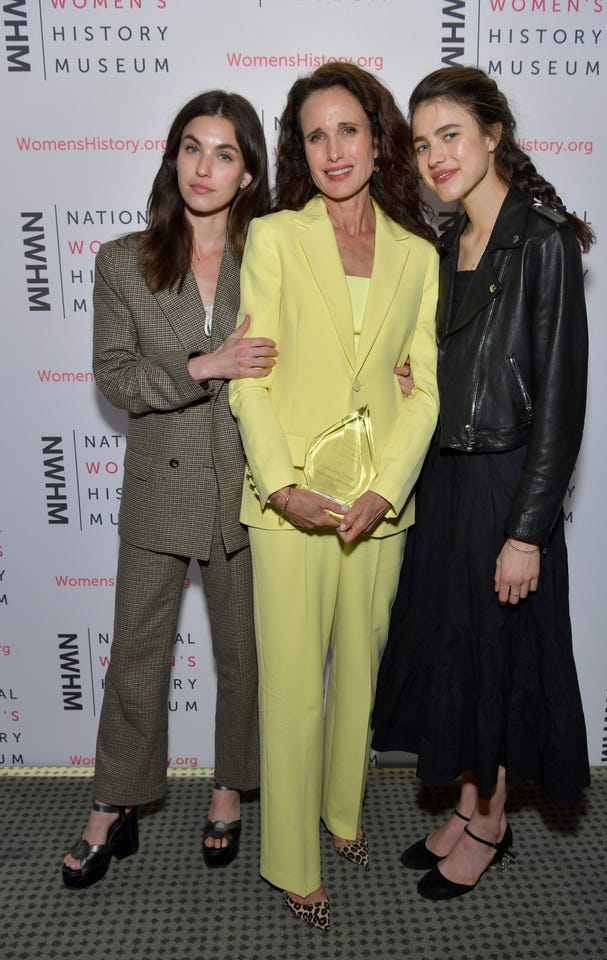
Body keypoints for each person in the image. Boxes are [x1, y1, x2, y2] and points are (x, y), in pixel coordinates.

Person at [372, 65, 593, 901]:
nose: (434, 157)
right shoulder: (441, 243)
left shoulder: (543, 241)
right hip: (444, 484)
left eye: (450, 136)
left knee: (499, 661)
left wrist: (527, 531)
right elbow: (449, 367)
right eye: (423, 144)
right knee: (454, 656)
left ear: (494, 134)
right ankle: (466, 805)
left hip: (505, 488)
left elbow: (561, 405)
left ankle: (493, 825)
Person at [228, 63, 440, 930]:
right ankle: (291, 859)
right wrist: (279, 486)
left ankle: (344, 812)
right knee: (291, 687)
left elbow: (422, 389)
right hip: (292, 507)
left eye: (348, 128)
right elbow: (251, 378)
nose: (333, 149)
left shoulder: (419, 255)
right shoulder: (275, 237)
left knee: (358, 674)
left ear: (376, 135)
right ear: (299, 151)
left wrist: (385, 493)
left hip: (374, 511)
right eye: (315, 135)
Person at [62, 90, 276, 888]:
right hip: (160, 490)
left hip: (253, 492)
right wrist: (205, 367)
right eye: (192, 147)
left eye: (225, 153)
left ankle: (229, 787)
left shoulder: (278, 256)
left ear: (249, 172)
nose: (205, 166)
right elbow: (116, 377)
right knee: (137, 660)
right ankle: (112, 805)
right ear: (172, 156)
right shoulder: (123, 259)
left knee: (243, 658)